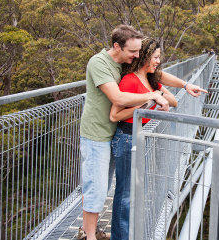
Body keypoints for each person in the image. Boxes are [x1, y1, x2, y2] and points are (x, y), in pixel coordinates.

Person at [78, 25, 206, 240]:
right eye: (133, 52)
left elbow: (158, 74)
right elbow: (118, 99)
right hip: (97, 133)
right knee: (97, 188)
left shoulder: (124, 63)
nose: (136, 55)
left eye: (139, 52)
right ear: (117, 46)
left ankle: (89, 230)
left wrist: (185, 85)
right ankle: (88, 235)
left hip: (113, 133)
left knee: (104, 185)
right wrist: (152, 97)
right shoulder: (99, 63)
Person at [109, 38, 177, 240]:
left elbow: (173, 101)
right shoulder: (130, 80)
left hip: (140, 138)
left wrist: (157, 92)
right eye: (155, 57)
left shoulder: (149, 80)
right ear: (146, 57)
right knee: (125, 195)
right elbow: (115, 114)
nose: (158, 62)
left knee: (134, 194)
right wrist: (149, 100)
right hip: (127, 138)